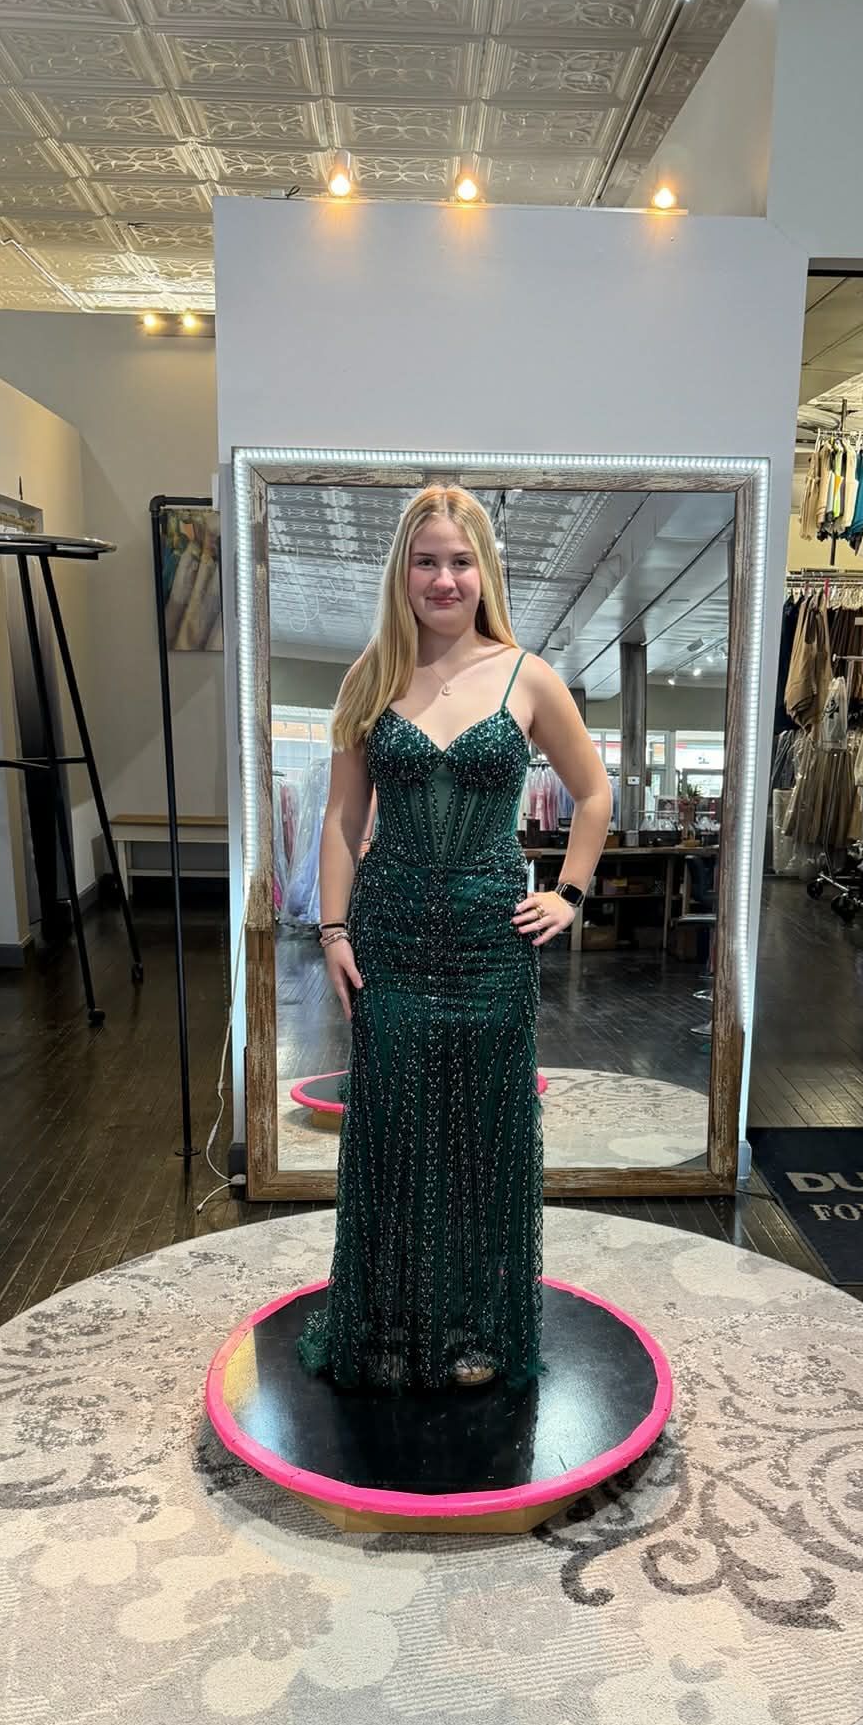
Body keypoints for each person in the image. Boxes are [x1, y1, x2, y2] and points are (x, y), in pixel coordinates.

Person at [299, 486, 612, 1393]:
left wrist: (570, 893)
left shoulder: (526, 675)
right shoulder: (369, 680)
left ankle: (476, 1317)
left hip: (488, 939)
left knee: (484, 1138)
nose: (444, 578)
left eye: (460, 561)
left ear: (486, 573)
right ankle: (390, 1318)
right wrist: (331, 929)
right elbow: (339, 819)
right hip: (388, 937)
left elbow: (594, 794)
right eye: (426, 560)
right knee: (394, 1134)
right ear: (403, 571)